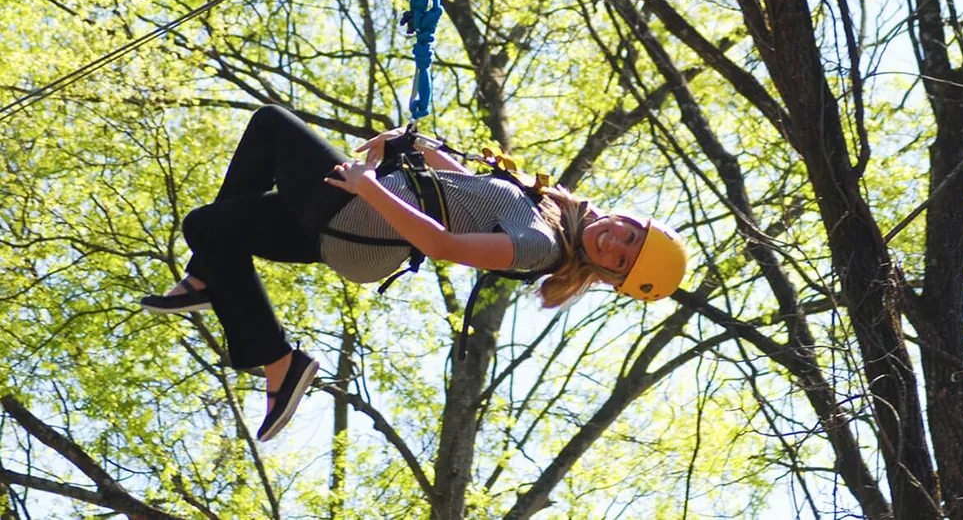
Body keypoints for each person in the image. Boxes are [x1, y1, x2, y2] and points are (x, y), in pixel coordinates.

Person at [139, 105, 687, 442]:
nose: (615, 241)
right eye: (629, 234)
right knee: (208, 227)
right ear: (628, 217)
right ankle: (275, 358)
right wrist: (418, 145)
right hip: (356, 223)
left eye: (620, 258)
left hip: (361, 221)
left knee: (269, 125)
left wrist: (369, 184)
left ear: (608, 277)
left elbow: (442, 243)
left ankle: (219, 291)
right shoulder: (548, 211)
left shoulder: (539, 245)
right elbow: (465, 192)